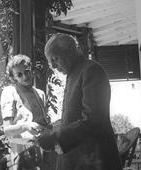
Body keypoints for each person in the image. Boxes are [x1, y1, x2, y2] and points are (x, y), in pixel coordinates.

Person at [37, 34, 123, 170]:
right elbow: (74, 116)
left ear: (70, 51)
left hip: (95, 159)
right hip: (80, 158)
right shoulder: (75, 73)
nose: (53, 65)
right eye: (50, 61)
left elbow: (94, 118)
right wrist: (55, 128)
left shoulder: (92, 70)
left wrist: (57, 137)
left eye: (55, 58)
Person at [0, 54, 50, 170]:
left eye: (26, 71)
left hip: (43, 150)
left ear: (31, 70)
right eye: (19, 74)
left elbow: (45, 124)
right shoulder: (9, 92)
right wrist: (26, 126)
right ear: (14, 78)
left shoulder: (40, 94)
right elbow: (7, 130)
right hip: (21, 153)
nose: (24, 76)